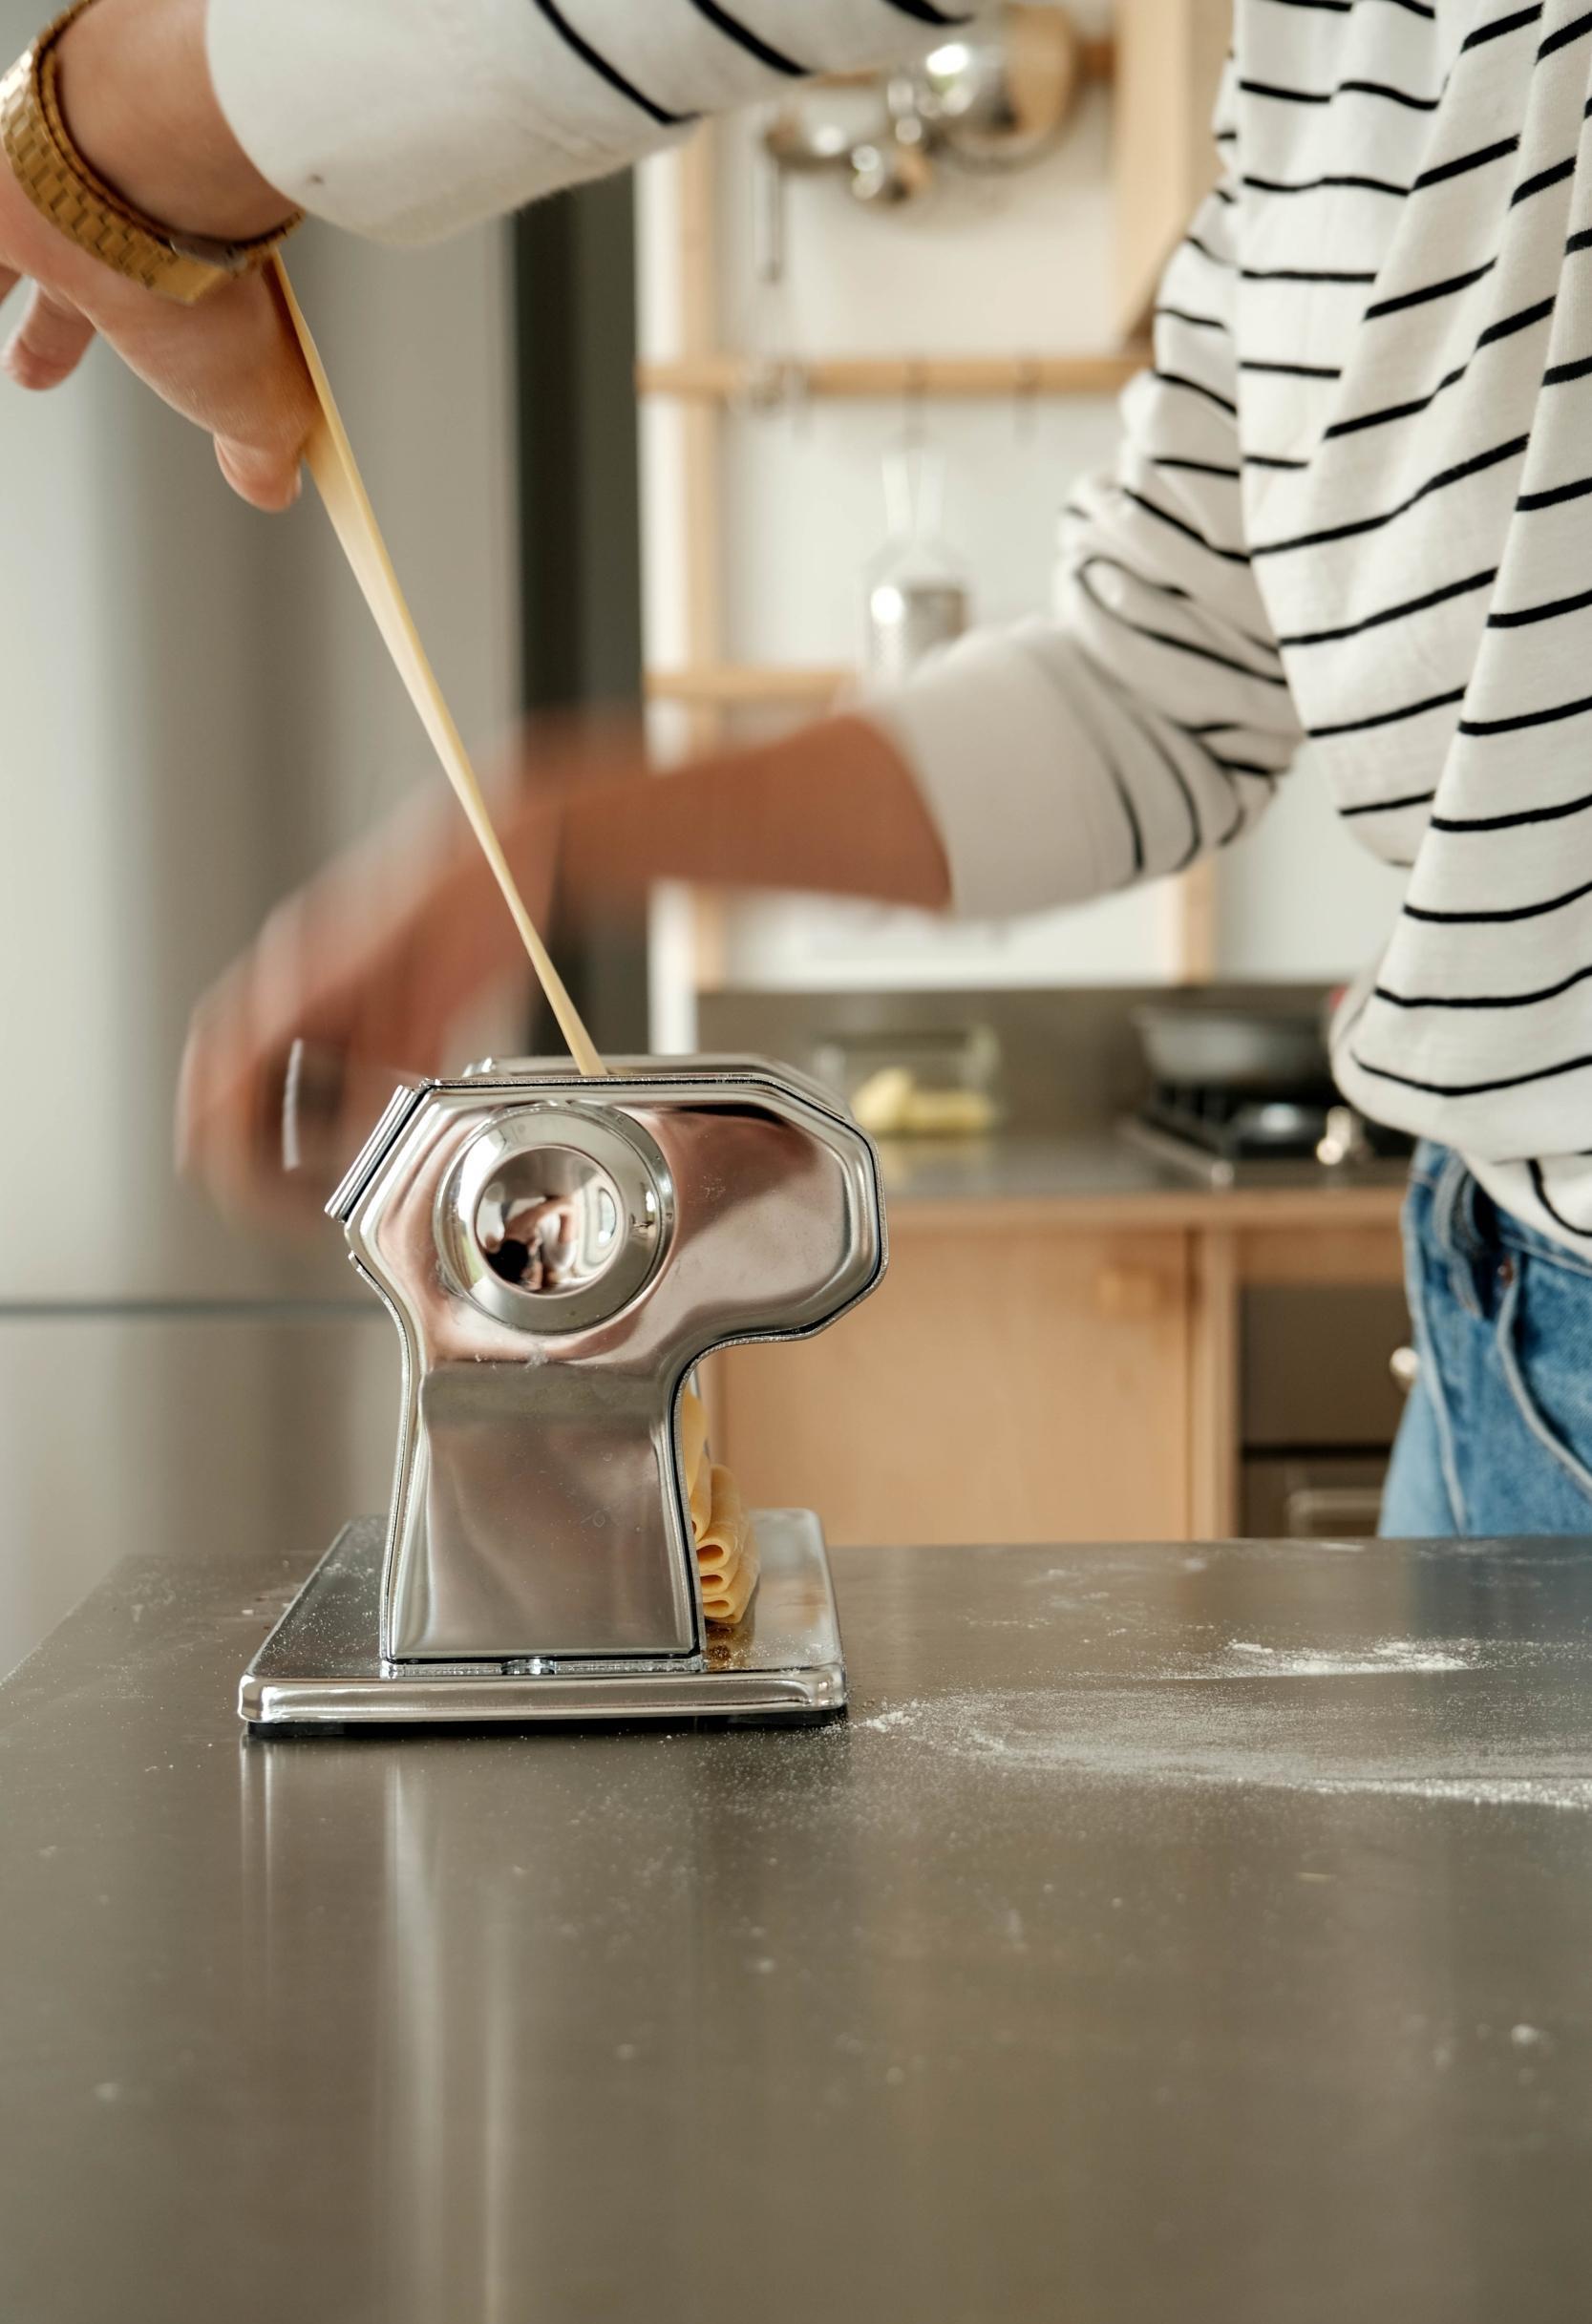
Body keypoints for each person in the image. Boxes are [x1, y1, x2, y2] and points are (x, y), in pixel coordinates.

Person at [10, 0, 1592, 1538]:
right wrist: (536, 831)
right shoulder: (1314, 67)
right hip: (1493, 1296)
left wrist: (128, 121)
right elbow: (1153, 689)